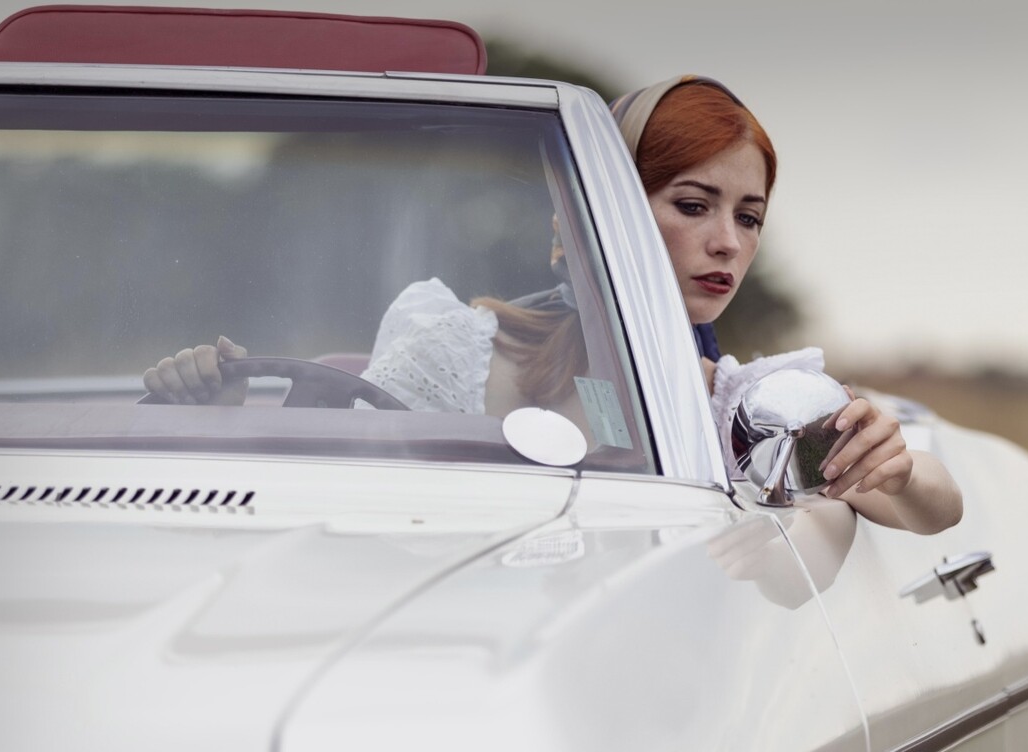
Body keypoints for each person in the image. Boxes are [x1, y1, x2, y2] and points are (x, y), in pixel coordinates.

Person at [143, 76, 961, 535]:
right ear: (600, 212)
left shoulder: (732, 403)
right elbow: (334, 502)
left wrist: (891, 460)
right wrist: (214, 414)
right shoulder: (462, 348)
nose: (727, 243)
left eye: (749, 218)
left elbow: (935, 509)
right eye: (692, 205)